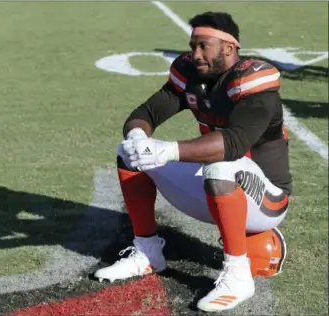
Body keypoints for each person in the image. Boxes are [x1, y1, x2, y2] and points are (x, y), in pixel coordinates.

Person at [95, 11, 292, 312]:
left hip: (267, 198)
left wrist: (167, 150)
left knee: (222, 164)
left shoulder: (254, 79)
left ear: (228, 48)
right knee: (128, 153)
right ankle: (148, 252)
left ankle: (238, 275)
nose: (195, 53)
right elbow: (146, 114)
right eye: (193, 46)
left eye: (204, 46)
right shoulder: (190, 75)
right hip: (215, 186)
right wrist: (139, 139)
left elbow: (234, 143)